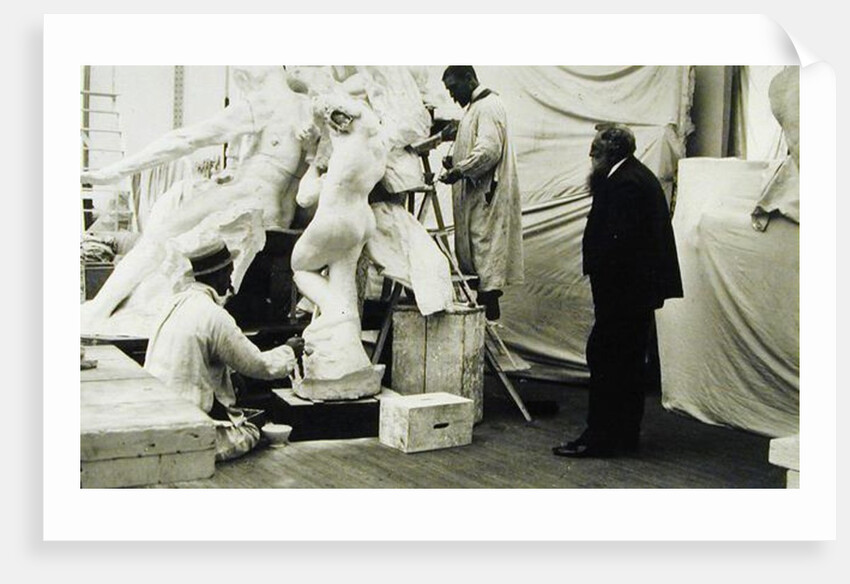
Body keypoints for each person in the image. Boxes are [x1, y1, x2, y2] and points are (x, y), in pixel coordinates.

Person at [80, 66, 314, 332]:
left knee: (157, 238)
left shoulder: (265, 103)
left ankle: (97, 311)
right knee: (177, 211)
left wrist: (111, 173)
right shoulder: (307, 108)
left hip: (247, 200)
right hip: (278, 215)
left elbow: (185, 139)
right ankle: (107, 309)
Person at [552, 124, 683, 458]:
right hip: (631, 294)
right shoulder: (634, 176)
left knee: (608, 360)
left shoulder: (625, 183)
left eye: (595, 149)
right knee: (624, 364)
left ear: (611, 152)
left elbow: (620, 245)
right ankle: (621, 435)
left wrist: (605, 282)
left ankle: (601, 437)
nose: (590, 155)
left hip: (623, 295)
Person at [144, 240, 305, 462]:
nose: (230, 281)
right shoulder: (213, 314)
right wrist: (289, 350)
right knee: (252, 432)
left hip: (157, 413)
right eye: (229, 273)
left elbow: (201, 351)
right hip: (187, 421)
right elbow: (259, 365)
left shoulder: (174, 303)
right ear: (219, 274)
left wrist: (230, 374)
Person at [438, 66, 524, 322]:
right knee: (479, 265)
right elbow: (476, 147)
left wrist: (460, 170)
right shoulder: (475, 109)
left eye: (454, 88)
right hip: (477, 200)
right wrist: (454, 160)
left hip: (487, 199)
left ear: (469, 79)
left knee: (486, 268)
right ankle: (485, 323)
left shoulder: (488, 106)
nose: (453, 96)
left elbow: (488, 151)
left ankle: (489, 322)